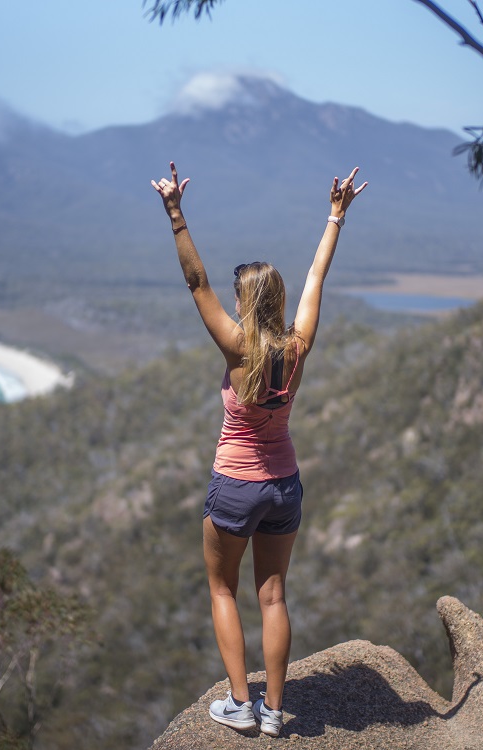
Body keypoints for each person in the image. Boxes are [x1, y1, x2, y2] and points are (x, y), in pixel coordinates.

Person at [150, 161, 367, 737]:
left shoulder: (237, 349)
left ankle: (241, 706)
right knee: (274, 596)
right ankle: (274, 713)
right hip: (286, 486)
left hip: (236, 485)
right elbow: (318, 276)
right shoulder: (298, 346)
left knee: (222, 588)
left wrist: (176, 215)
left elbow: (197, 284)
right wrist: (335, 218)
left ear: (246, 301)